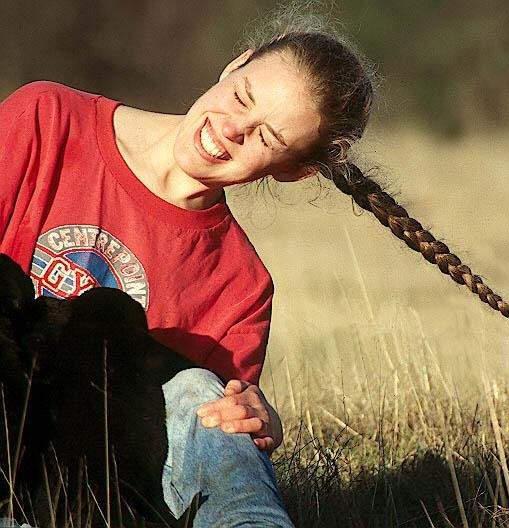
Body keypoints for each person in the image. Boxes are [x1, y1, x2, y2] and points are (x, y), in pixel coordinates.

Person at [0, 20, 373, 527]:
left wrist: (248, 416)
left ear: (294, 170)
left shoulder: (241, 285)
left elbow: (188, 444)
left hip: (101, 486)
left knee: (200, 393)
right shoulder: (45, 118)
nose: (233, 129)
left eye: (268, 136)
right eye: (242, 98)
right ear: (235, 64)